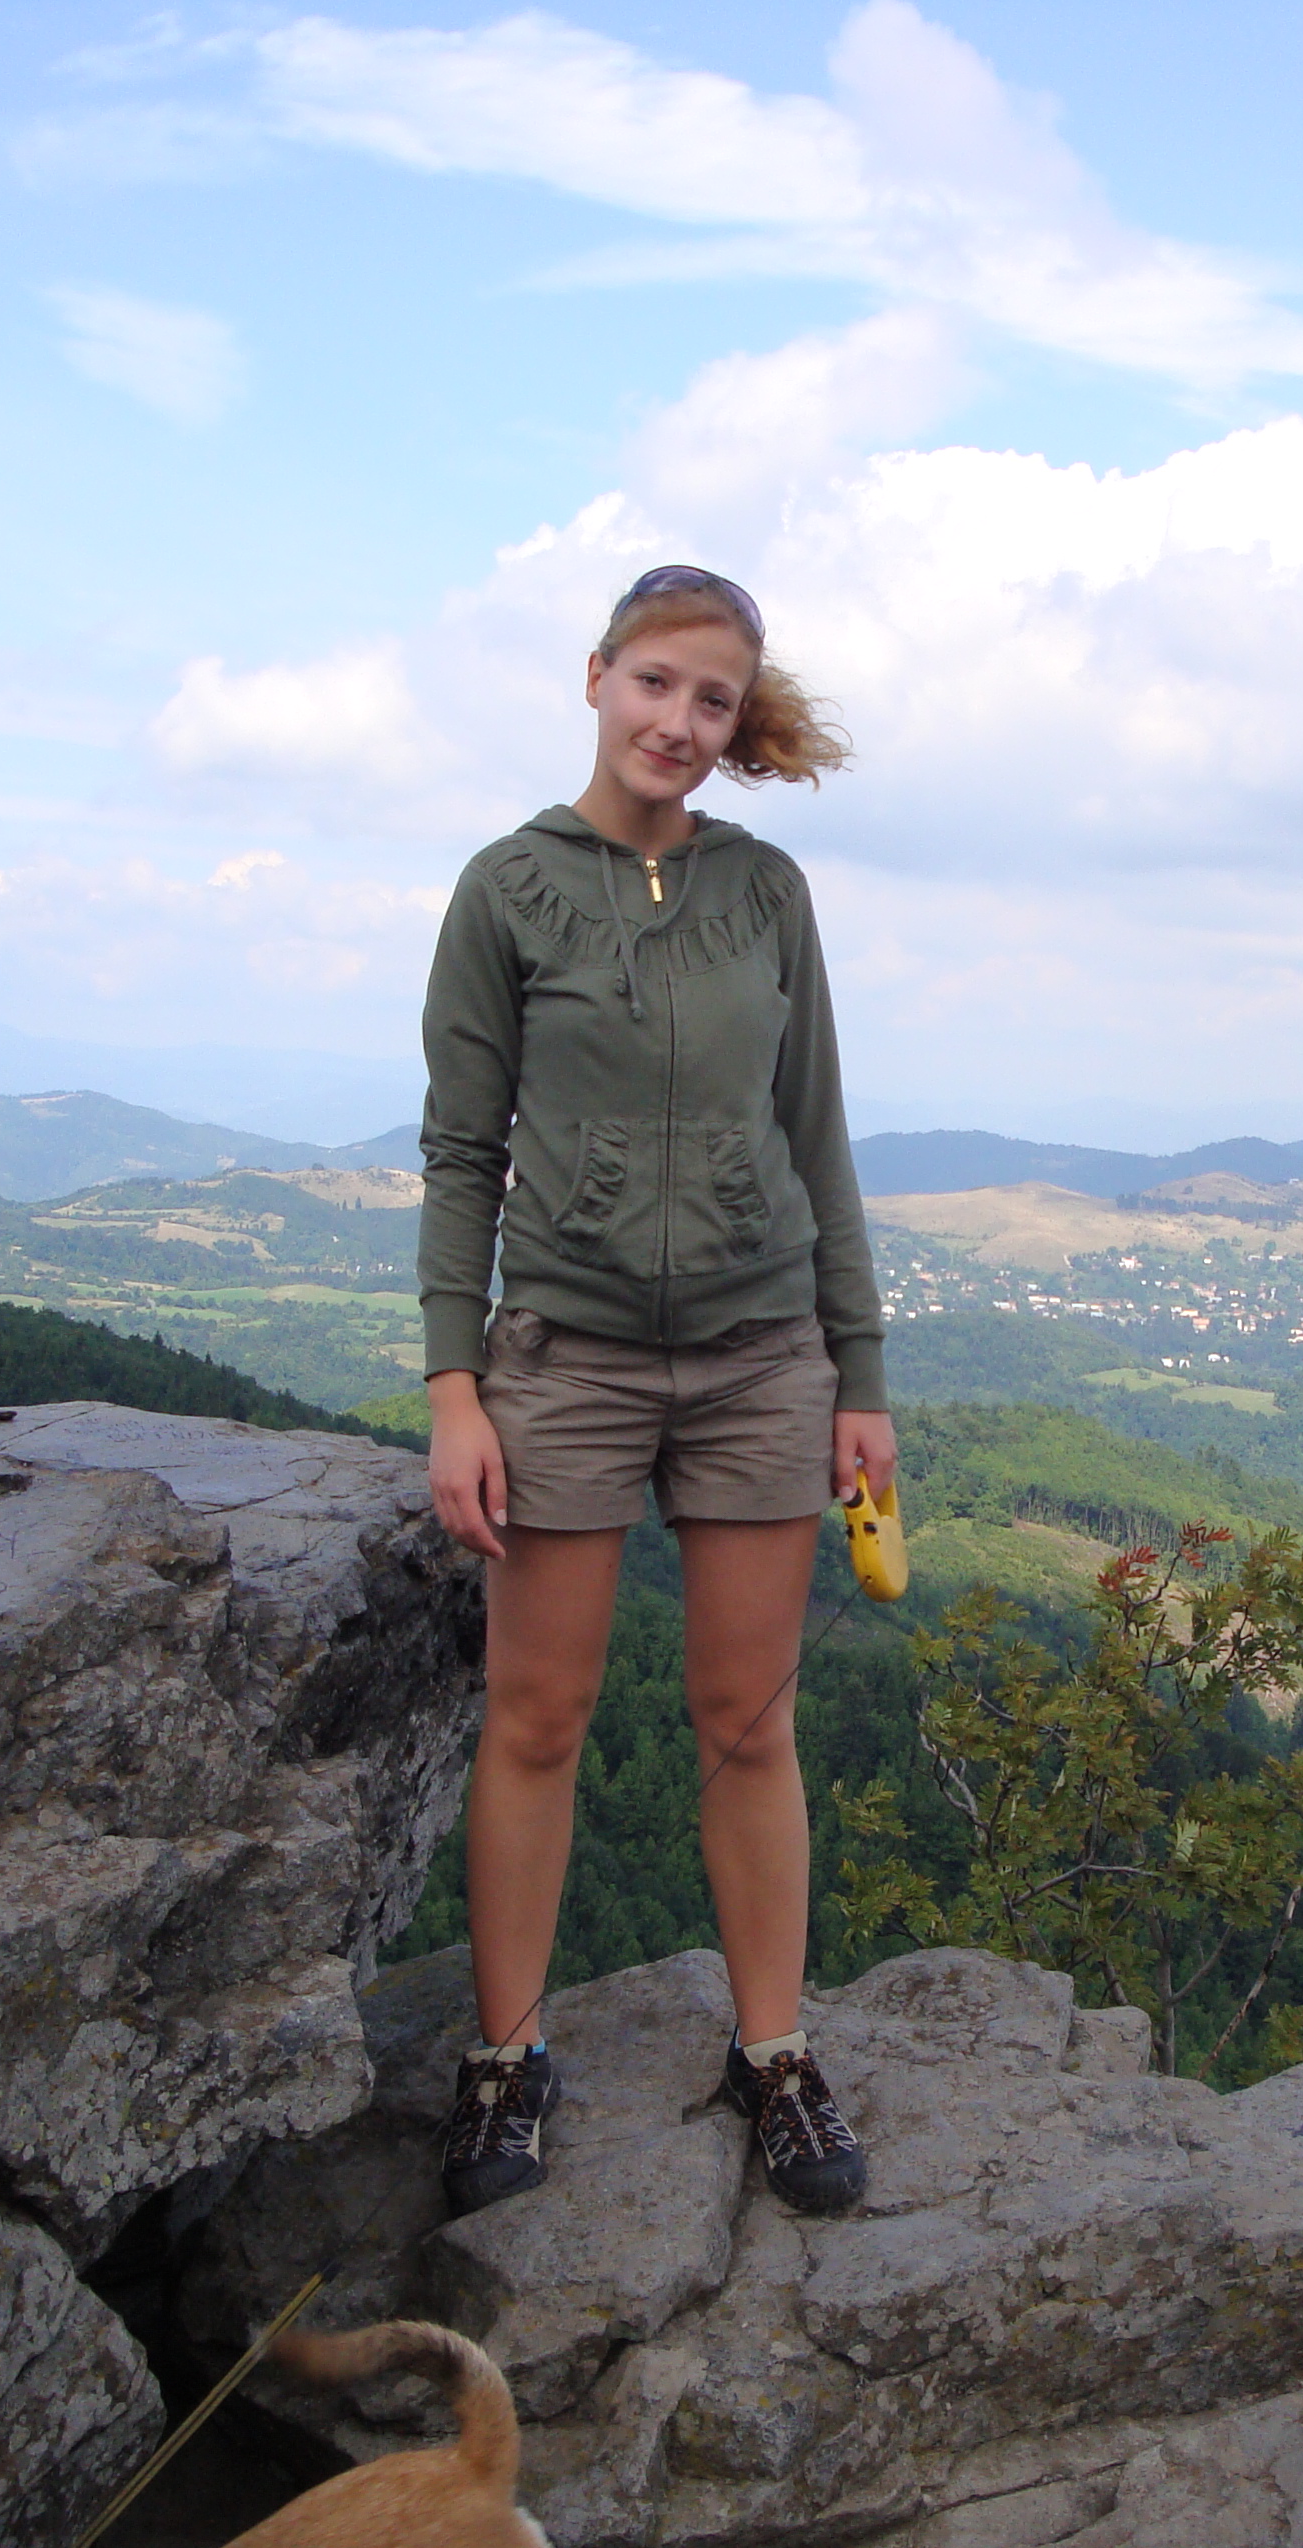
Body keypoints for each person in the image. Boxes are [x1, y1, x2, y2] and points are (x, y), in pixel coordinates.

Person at [416, 563, 892, 2221]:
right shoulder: (507, 891)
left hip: (764, 1356)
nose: (679, 722)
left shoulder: (766, 892)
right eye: (657, 683)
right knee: (537, 1718)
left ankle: (775, 2054)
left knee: (748, 1722)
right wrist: (454, 1387)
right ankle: (506, 2057)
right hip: (567, 1355)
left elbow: (817, 1133)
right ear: (597, 676)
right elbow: (461, 1152)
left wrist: (859, 1371)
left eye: (713, 700)